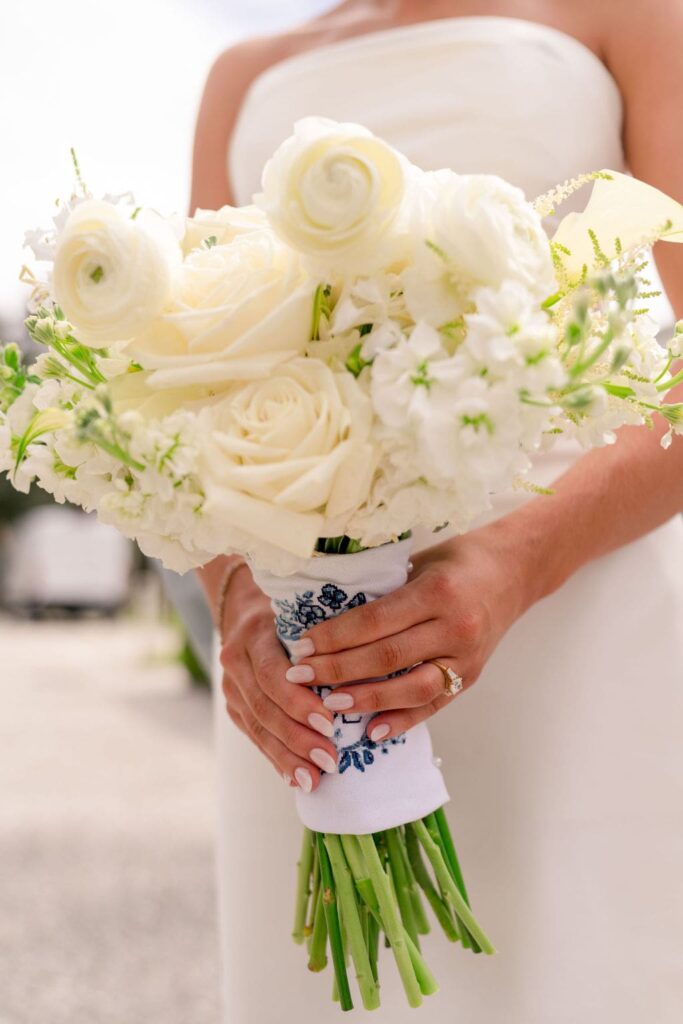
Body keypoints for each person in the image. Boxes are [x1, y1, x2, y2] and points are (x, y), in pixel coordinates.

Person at [193, 2, 683, 1020]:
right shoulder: (242, 76)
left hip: (578, 617)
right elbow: (187, 384)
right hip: (306, 666)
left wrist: (518, 562)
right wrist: (236, 599)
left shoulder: (629, 15)